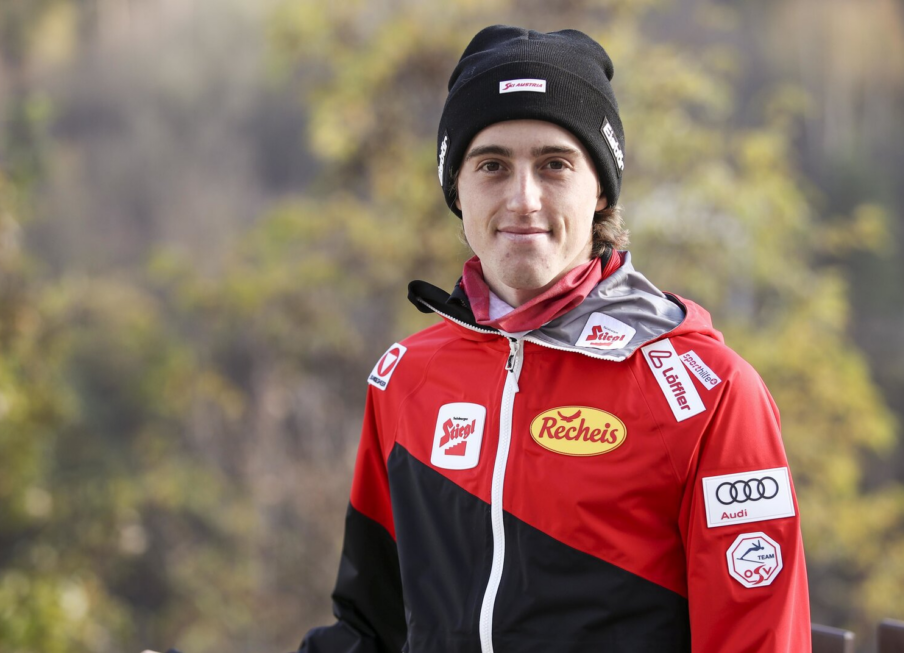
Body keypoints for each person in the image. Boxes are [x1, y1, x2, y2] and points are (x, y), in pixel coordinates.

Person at [296, 25, 811, 653]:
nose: (523, 199)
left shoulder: (711, 395)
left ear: (601, 190)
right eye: (492, 165)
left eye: (555, 165)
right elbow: (369, 631)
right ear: (456, 188)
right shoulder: (405, 377)